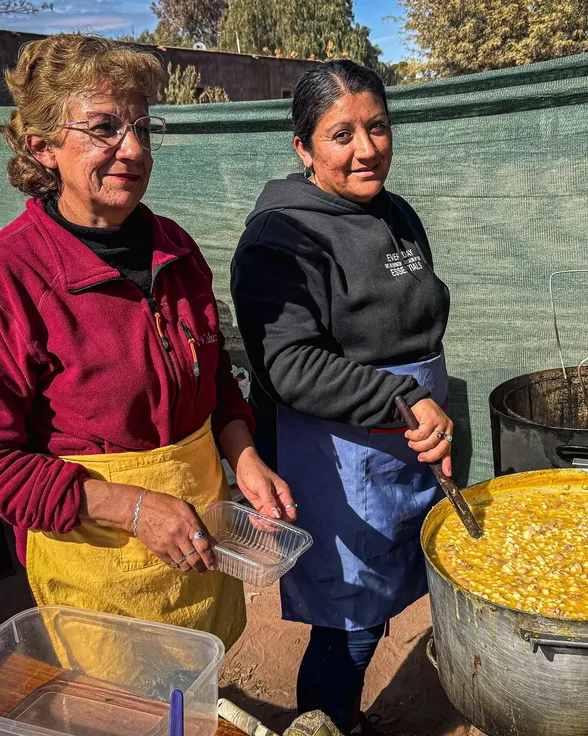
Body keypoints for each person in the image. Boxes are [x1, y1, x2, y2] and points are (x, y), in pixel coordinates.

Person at [0, 35, 295, 647]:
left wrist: (245, 456)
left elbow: (214, 385)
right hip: (97, 573)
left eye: (142, 128)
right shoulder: (1, 280)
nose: (132, 150)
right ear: (42, 147)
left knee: (201, 688)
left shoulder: (174, 249)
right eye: (103, 128)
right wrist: (129, 508)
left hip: (198, 549)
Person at [230, 60, 453, 734]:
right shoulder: (280, 237)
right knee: (348, 621)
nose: (366, 148)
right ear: (303, 148)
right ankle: (327, 726)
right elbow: (289, 365)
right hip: (336, 457)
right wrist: (403, 399)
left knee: (376, 608)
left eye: (378, 127)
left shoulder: (394, 209)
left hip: (401, 441)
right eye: (340, 135)